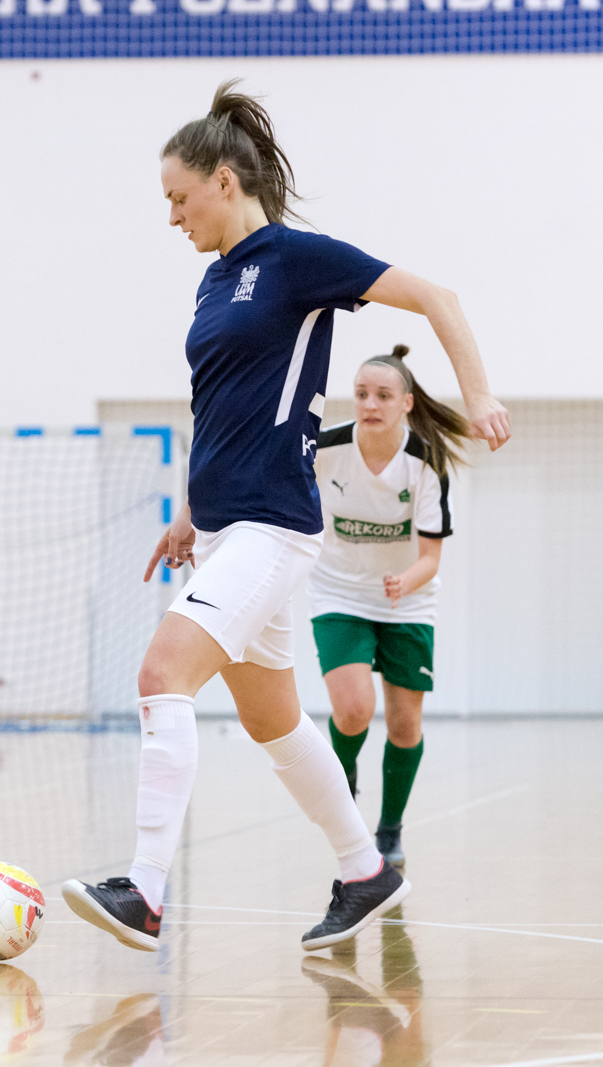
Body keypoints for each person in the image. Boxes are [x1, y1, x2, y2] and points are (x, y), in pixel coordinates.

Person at [62, 81, 510, 953]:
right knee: (275, 722)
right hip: (229, 527)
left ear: (225, 181)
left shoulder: (299, 259)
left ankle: (146, 893)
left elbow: (440, 298)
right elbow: (223, 404)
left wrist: (480, 393)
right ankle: (364, 869)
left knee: (162, 675)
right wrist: (192, 509)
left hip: (276, 524)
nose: (172, 216)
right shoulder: (211, 284)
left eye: (178, 198)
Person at [312, 345, 471, 870]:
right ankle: (344, 791)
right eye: (361, 394)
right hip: (339, 592)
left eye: (382, 395)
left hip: (408, 598)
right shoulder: (325, 448)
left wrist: (404, 581)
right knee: (353, 711)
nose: (369, 404)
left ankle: (391, 827)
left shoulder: (424, 462)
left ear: (405, 403)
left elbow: (431, 556)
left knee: (404, 726)